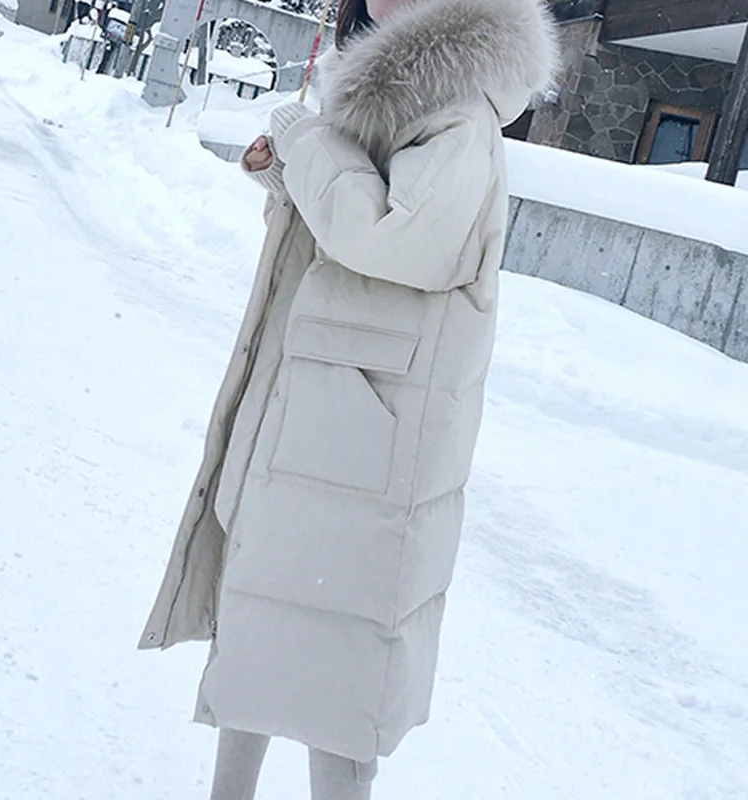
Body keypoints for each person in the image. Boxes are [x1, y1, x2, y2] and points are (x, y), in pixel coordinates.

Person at [139, 0, 558, 797]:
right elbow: (344, 231)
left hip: (369, 438)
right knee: (264, 625)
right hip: (317, 412)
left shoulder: (461, 114)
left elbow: (388, 237)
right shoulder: (393, 94)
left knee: (339, 672)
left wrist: (306, 144)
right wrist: (287, 176)